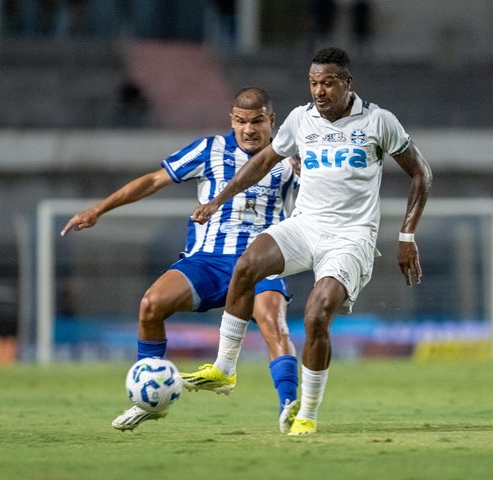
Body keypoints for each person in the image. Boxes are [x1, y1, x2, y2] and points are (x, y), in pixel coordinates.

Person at [185, 47, 433, 435]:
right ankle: (225, 368)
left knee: (317, 315)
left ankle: (309, 413)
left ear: (347, 83)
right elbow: (264, 161)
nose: (319, 90)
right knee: (246, 265)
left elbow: (421, 173)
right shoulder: (301, 120)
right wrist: (218, 200)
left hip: (351, 237)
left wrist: (407, 235)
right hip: (305, 226)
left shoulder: (378, 121)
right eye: (314, 82)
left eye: (328, 83)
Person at [61, 87, 299, 431]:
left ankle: (289, 407)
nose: (248, 129)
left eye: (257, 121)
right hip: (207, 261)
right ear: (231, 120)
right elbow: (153, 181)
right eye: (241, 121)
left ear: (272, 121)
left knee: (272, 321)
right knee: (151, 304)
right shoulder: (209, 150)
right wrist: (99, 209)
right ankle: (150, 400)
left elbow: (322, 192)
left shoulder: (290, 157)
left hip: (263, 260)